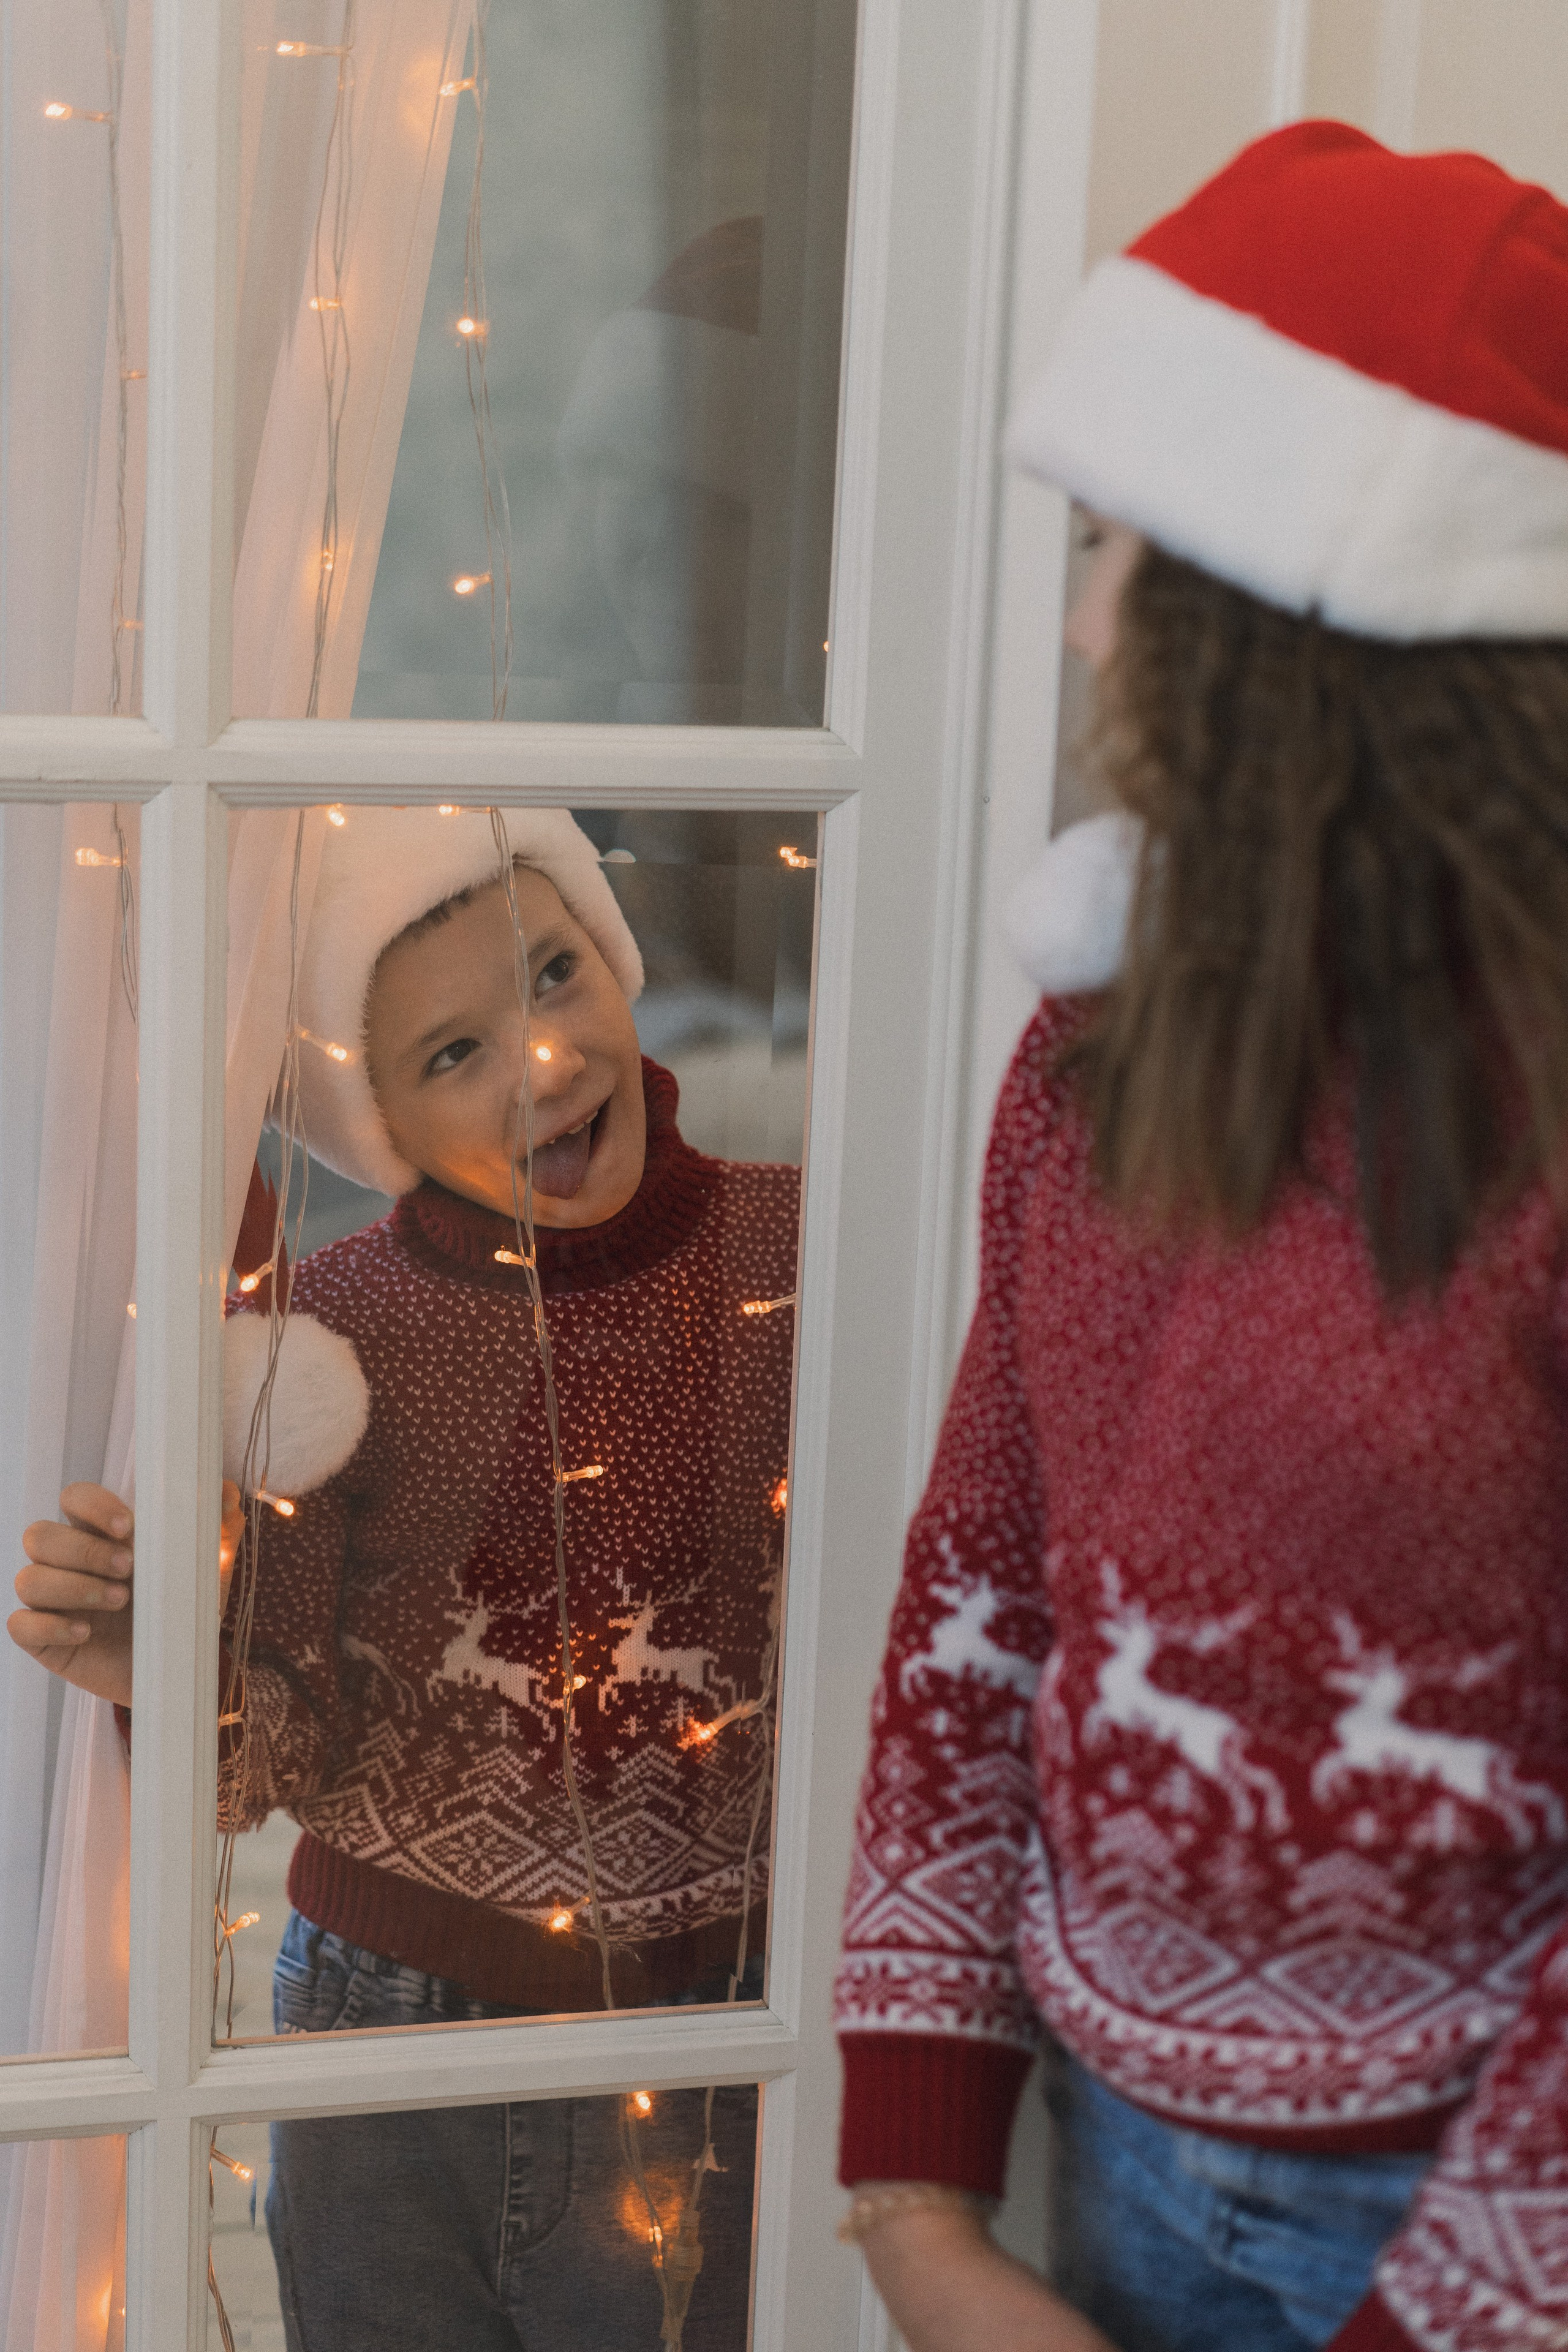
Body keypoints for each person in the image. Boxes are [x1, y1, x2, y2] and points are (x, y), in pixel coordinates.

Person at [834, 123, 1568, 2352]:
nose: (1076, 621)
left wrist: (1436, 2322)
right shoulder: (1094, 1066)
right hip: (1094, 2174)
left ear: (1305, 623)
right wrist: (914, 2200)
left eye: (1118, 547)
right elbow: (981, 1580)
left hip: (1462, 2240)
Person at [11, 805, 799, 2351]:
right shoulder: (333, 1345)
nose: (547, 1061)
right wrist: (146, 1666)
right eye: (454, 1055)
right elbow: (281, 1750)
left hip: (705, 2032)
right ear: (374, 1114)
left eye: (559, 975)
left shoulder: (794, 1264)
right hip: (377, 2042)